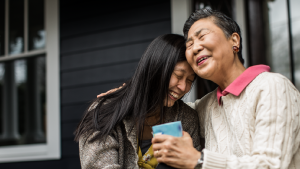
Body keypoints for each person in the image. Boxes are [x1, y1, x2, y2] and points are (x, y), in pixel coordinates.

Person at [151, 8, 300, 169]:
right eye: (190, 44)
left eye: (202, 36)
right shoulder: (207, 105)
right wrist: (123, 95)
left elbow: (270, 165)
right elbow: (166, 108)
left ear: (234, 41)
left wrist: (198, 160)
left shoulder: (272, 87)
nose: (195, 48)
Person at [74, 34, 201, 169]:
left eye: (189, 80)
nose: (184, 87)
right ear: (156, 69)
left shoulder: (186, 119)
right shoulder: (104, 113)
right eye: (178, 76)